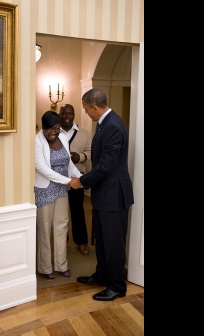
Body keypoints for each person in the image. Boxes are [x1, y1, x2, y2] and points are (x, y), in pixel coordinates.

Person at [69, 88, 134, 302]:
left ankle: (116, 286)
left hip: (114, 196)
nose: (86, 113)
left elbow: (106, 167)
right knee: (104, 241)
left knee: (114, 243)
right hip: (104, 194)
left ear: (95, 107)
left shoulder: (113, 126)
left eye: (87, 109)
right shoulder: (104, 123)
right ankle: (102, 275)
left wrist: (82, 180)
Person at [35, 110, 82, 280]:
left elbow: (68, 163)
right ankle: (45, 267)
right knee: (45, 228)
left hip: (62, 189)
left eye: (56, 128)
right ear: (43, 127)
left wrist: (80, 178)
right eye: (50, 129)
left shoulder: (62, 137)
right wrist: (68, 181)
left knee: (62, 226)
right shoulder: (37, 141)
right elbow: (42, 168)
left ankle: (62, 265)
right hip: (45, 189)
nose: (53, 132)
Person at [59, 103, 92, 256]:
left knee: (78, 210)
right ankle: (61, 243)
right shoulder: (52, 131)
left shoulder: (84, 133)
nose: (67, 116)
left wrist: (80, 157)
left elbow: (90, 152)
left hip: (76, 178)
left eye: (69, 113)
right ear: (60, 114)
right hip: (58, 180)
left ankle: (82, 242)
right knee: (60, 213)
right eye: (64, 113)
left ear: (74, 115)